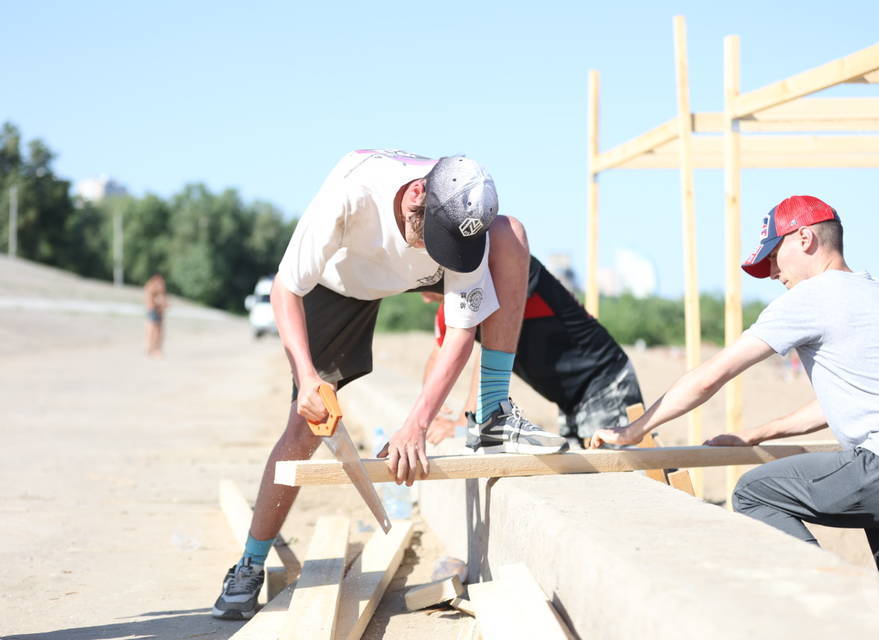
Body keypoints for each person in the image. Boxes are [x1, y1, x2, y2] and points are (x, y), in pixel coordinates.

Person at [212, 149, 567, 619]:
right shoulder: (350, 196)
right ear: (415, 195)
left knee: (511, 235)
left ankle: (492, 411)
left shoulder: (460, 214)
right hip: (342, 284)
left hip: (403, 269)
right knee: (306, 428)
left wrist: (416, 424)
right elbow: (286, 290)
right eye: (434, 238)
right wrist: (308, 375)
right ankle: (249, 563)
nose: (441, 251)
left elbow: (461, 331)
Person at [589, 195, 879, 595]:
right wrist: (757, 434)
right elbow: (858, 398)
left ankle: (838, 600)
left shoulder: (812, 296)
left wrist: (633, 430)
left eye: (773, 254)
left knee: (754, 492)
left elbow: (710, 378)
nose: (771, 272)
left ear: (804, 239)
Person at [421, 255, 644, 451]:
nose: (425, 298)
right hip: (570, 401)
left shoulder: (511, 273)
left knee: (617, 482)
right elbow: (437, 356)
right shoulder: (455, 308)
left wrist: (463, 422)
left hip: (605, 381)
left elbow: (490, 351)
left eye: (427, 286)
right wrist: (429, 414)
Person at [143, 274, 167, 357]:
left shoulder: (153, 289)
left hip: (156, 312)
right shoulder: (151, 289)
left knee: (155, 332)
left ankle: (153, 349)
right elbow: (151, 304)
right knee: (154, 332)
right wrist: (160, 304)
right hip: (153, 312)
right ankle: (153, 349)